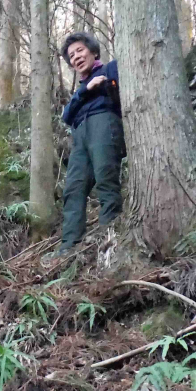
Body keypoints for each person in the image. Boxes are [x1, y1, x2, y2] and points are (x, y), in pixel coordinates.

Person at [57, 32, 126, 256]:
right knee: (74, 187)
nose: (76, 57)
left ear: (93, 51)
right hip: (80, 135)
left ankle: (109, 236)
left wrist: (104, 84)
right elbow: (67, 116)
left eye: (80, 50)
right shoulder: (80, 89)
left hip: (104, 124)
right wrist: (85, 90)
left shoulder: (110, 69)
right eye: (71, 56)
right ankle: (69, 245)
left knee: (106, 178)